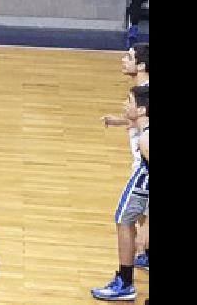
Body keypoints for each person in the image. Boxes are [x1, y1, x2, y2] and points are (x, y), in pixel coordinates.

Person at [91, 85, 148, 301]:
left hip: (143, 183)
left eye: (130, 100)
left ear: (142, 110)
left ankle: (125, 283)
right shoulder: (144, 128)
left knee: (123, 220)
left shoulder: (145, 139)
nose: (125, 103)